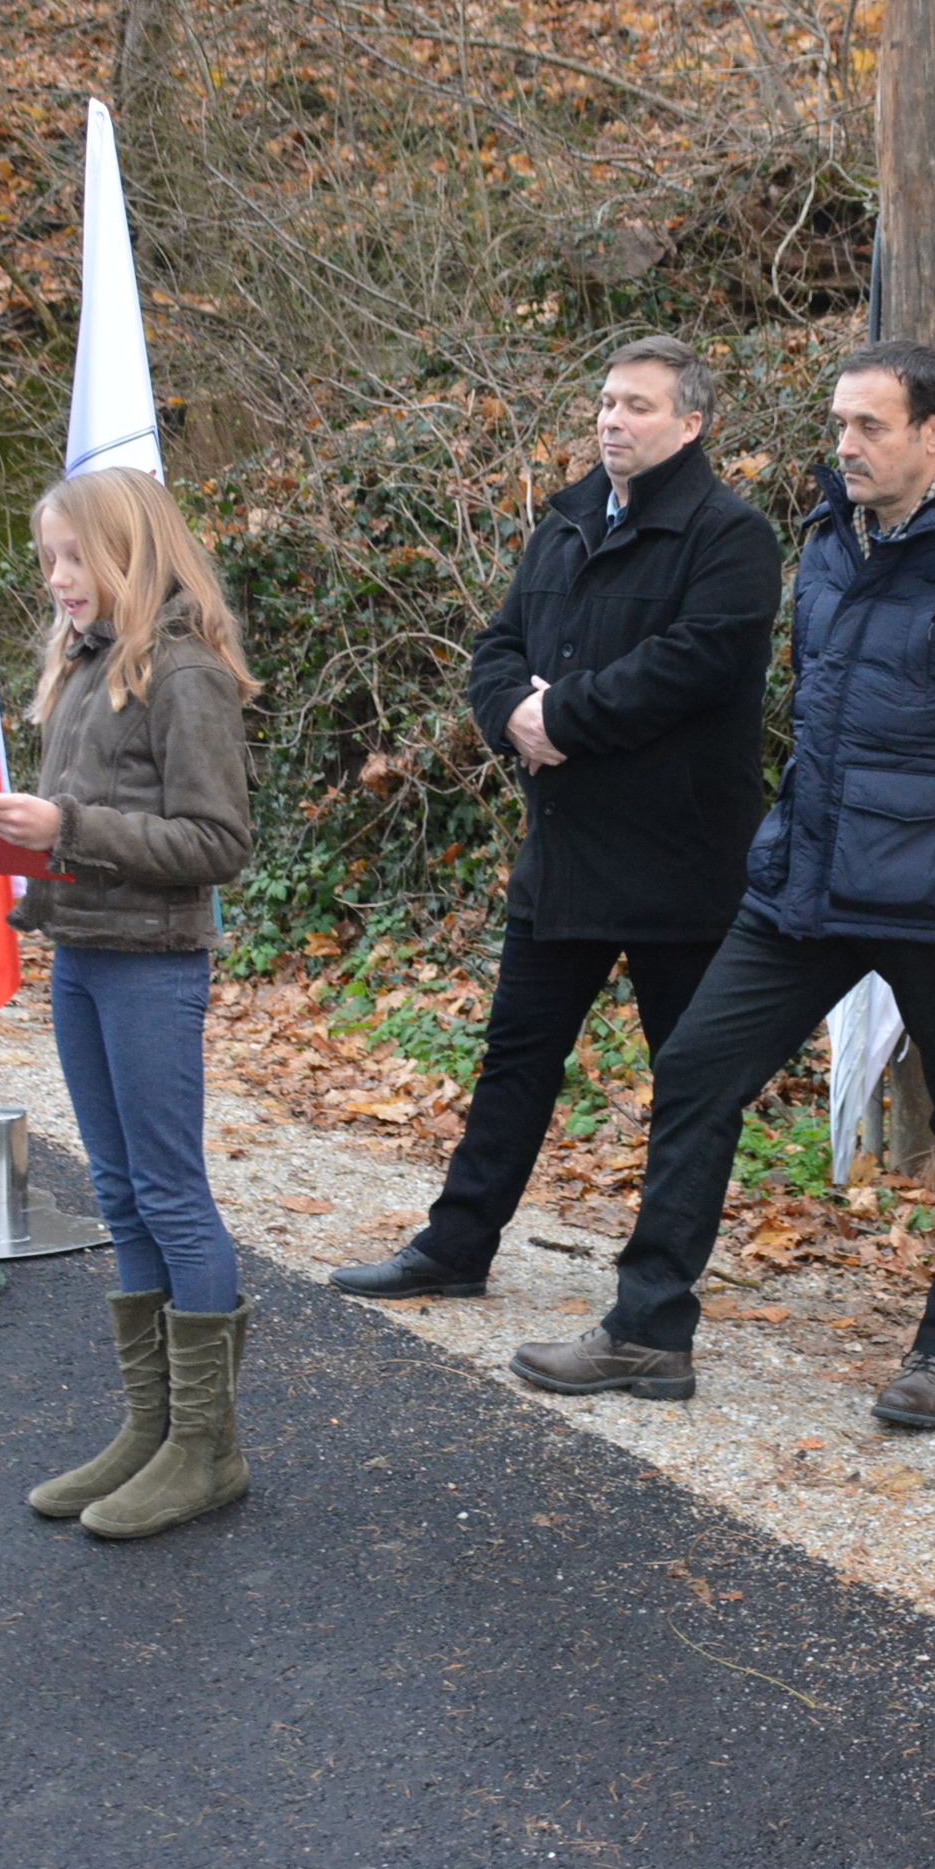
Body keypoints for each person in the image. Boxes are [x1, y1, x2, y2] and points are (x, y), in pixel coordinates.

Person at [506, 340, 935, 1427]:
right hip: (806, 880)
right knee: (695, 1070)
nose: (845, 446)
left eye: (870, 427)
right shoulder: (827, 545)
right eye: (839, 424)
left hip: (934, 892)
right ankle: (647, 1330)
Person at [331, 338, 783, 1304]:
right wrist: (512, 715)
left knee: (690, 1083)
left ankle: (653, 1297)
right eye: (607, 402)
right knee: (517, 1058)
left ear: (691, 423)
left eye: (638, 406)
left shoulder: (733, 536)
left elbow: (693, 664)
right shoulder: (567, 522)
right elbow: (497, 645)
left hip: (681, 861)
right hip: (567, 851)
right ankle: (455, 1248)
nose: (613, 420)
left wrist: (558, 718)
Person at [0, 466, 259, 1540]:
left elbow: (218, 844)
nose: (57, 577)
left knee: (171, 1194)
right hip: (83, 954)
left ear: (131, 551)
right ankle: (150, 1430)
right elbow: (64, 835)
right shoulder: (86, 663)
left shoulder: (183, 671)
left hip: (153, 963)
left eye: (74, 556)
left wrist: (64, 826)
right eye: (47, 558)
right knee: (119, 1193)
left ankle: (207, 1451)